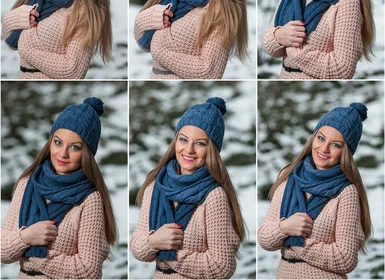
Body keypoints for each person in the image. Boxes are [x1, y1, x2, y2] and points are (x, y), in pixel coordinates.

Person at [1, 97, 117, 279]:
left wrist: (37, 254)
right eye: (58, 142)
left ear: (86, 153)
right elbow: (2, 249)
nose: (63, 153)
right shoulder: (27, 184)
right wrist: (25, 238)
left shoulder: (89, 199)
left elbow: (88, 271)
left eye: (75, 147)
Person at [130, 96, 246, 279]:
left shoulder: (213, 196)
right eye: (183, 140)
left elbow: (222, 266)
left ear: (212, 150)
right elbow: (137, 246)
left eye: (200, 143)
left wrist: (168, 253)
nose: (189, 150)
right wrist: (153, 241)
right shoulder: (156, 186)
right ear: (175, 141)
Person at [258, 102, 371, 280]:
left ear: (346, 152)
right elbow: (264, 238)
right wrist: (285, 228)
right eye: (321, 138)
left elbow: (345, 259)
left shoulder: (346, 192)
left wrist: (296, 241)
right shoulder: (290, 179)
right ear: (313, 137)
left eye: (335, 144)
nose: (324, 149)